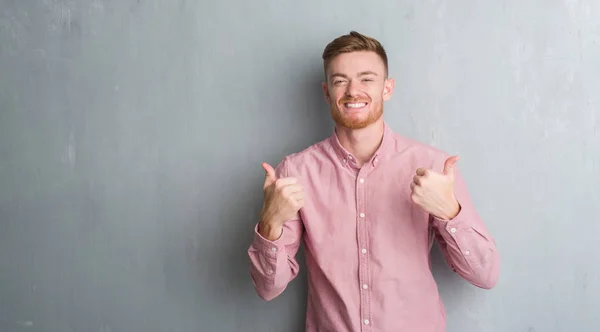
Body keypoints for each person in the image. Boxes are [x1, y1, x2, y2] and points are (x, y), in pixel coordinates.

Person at [247, 31, 500, 332]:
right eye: (341, 80)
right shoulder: (296, 172)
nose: (354, 91)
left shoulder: (432, 167)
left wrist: (449, 213)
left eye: (366, 79)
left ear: (387, 88)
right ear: (327, 93)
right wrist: (270, 224)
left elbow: (485, 275)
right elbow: (268, 288)